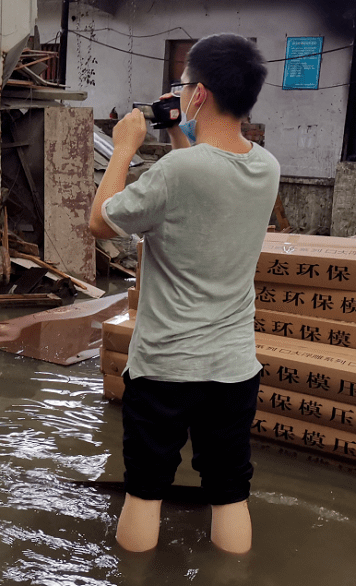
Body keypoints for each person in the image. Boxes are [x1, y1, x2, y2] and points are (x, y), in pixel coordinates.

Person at [88, 33, 280, 554]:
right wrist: (178, 134)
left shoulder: (176, 173)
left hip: (166, 366)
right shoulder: (267, 168)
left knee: (145, 492)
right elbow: (204, 178)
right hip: (233, 367)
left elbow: (100, 222)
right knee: (229, 492)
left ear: (198, 95)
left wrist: (125, 146)